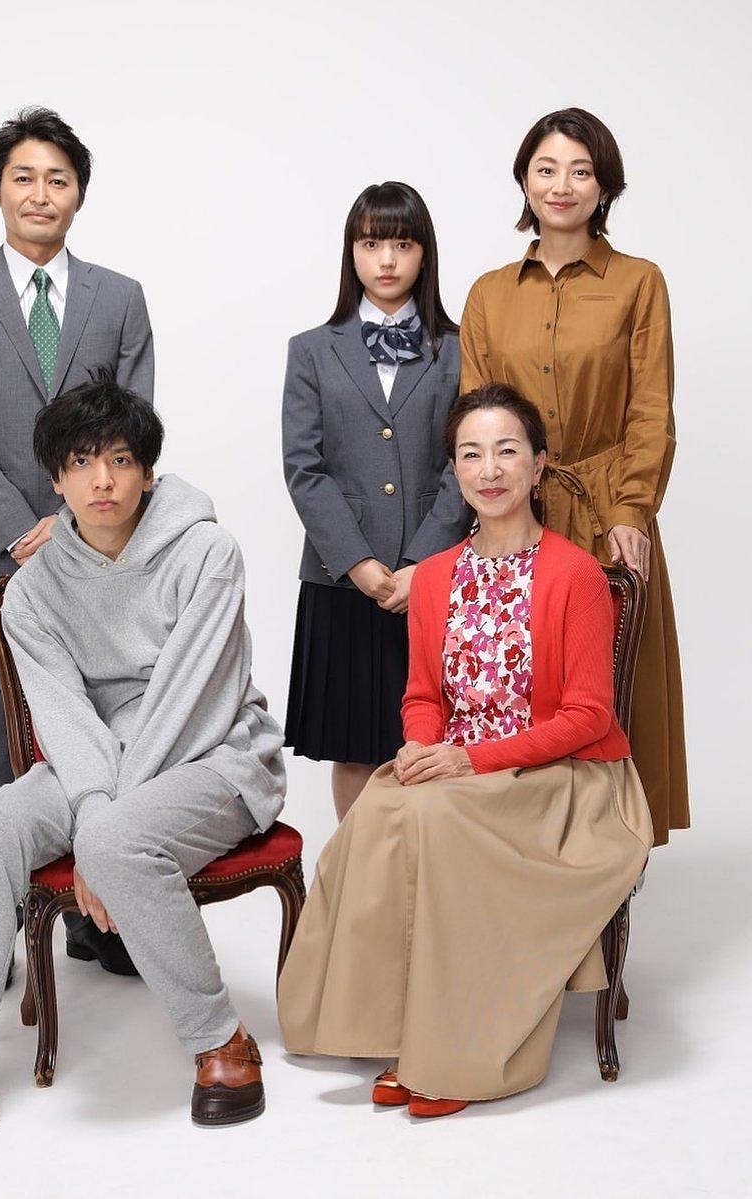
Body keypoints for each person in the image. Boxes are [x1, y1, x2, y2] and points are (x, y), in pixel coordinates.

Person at [0, 375, 284, 1166]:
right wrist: (95, 812)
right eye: (81, 462)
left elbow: (190, 700)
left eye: (119, 459)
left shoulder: (206, 552)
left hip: (214, 752)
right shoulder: (33, 592)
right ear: (55, 478)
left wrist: (101, 832)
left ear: (147, 469)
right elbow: (66, 721)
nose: (101, 479)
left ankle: (219, 1035)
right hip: (98, 763)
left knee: (113, 839)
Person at [277, 384, 653, 1117]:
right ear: (454, 470)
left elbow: (587, 716)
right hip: (460, 767)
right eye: (471, 454)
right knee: (380, 809)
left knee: (437, 819)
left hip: (563, 776)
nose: (490, 469)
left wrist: (466, 762)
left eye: (507, 451)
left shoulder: (574, 575)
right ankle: (395, 1030)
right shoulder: (438, 576)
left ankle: (459, 1056)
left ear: (538, 466)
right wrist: (423, 747)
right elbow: (423, 695)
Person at [0, 105, 154, 973]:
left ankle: (97, 914)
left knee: (99, 731)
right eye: (24, 177)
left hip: (100, 556)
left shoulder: (119, 298)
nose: (40, 193)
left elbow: (136, 425)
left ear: (79, 193)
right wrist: (22, 529)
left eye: (58, 178)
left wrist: (82, 525)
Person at [459, 106, 687, 846]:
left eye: (580, 171)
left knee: (611, 691)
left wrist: (630, 511)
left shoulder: (638, 283)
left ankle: (612, 855)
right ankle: (527, 858)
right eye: (547, 169)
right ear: (524, 181)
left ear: (604, 186)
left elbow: (650, 410)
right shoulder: (489, 293)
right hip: (514, 514)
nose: (562, 185)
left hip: (606, 512)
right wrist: (496, 510)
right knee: (517, 686)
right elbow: (476, 416)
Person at [282, 182, 470, 820]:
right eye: (371, 244)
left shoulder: (460, 348)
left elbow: (464, 464)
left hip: (435, 577)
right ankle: (362, 875)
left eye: (403, 244)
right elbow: (303, 467)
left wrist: (423, 565)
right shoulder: (312, 350)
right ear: (351, 253)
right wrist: (358, 563)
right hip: (342, 580)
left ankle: (426, 874)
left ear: (425, 254)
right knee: (357, 748)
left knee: (433, 744)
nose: (386, 260)